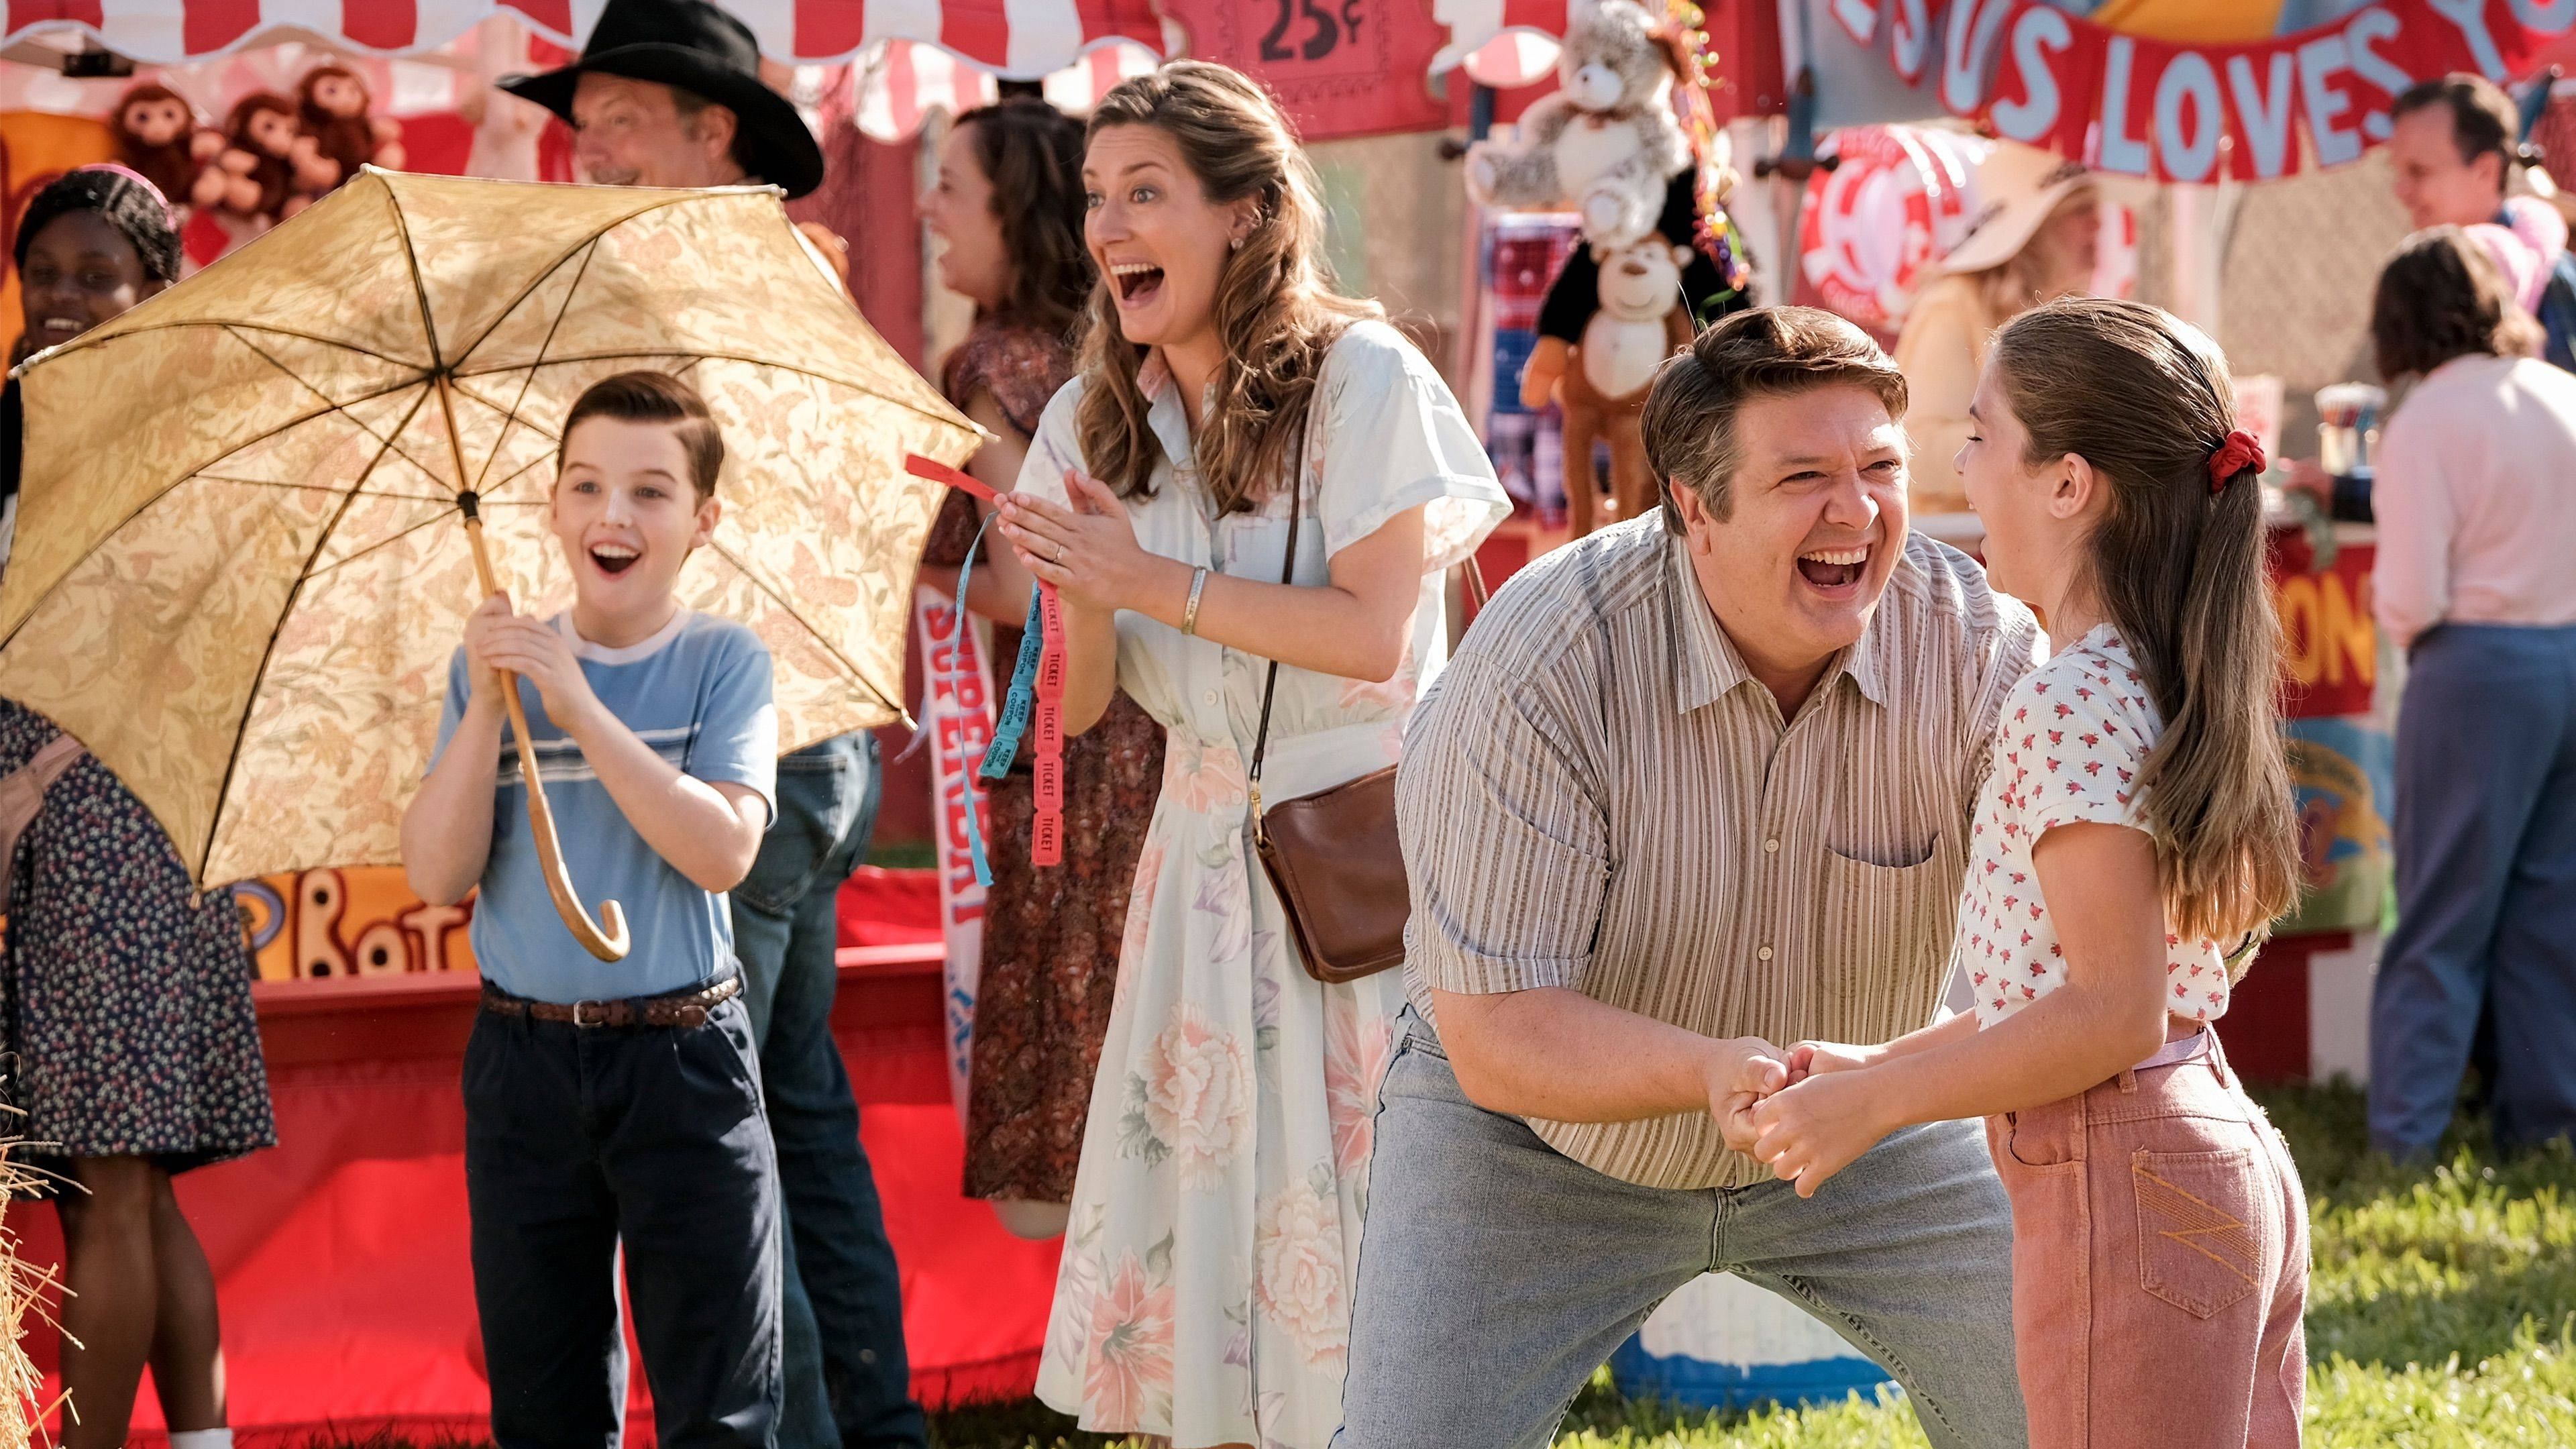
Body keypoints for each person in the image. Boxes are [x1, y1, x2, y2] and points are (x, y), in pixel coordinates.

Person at [1338, 307, 2039, 1449]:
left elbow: (2086, 966)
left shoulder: (1981, 651)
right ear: (1693, 506)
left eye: (1879, 468)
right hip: (1533, 1142)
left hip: (1870, 1120)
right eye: (1804, 475)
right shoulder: (1546, 659)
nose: (1856, 511)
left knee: (2073, 1408)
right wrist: (1711, 1070)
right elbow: (1497, 1032)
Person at [989, 62, 1507, 1449]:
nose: (1110, 227)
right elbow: (1087, 704)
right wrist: (1083, 592)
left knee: (1377, 1255)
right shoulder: (1092, 422)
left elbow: (1374, 633)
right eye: (1098, 196)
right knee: (1212, 1293)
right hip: (1201, 871)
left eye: (1147, 191)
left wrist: (1141, 576)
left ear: (1247, 214)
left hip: (1367, 866)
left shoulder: (1365, 377)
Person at [1750, 297, 2310, 1448]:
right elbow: (2077, 997)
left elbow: (2108, 1016)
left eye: (1981, 434)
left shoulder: (2066, 703)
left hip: (2125, 1191)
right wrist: (1883, 1062)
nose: (1958, 469)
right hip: (2207, 1152)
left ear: (2069, 483)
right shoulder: (2152, 675)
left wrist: (1881, 1100)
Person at [500, 5, 923, 1444]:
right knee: (791, 1113)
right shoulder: (774, 268)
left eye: (620, 113)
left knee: (720, 1146)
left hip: (741, 755)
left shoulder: (715, 272)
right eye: (586, 118)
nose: (589, 143)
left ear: (712, 131)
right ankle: (875, 1426)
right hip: (814, 742)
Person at [403, 372, 782, 1445]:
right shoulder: (496, 672)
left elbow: (722, 850)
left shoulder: (723, 661)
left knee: (720, 1396)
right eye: (587, 486)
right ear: (554, 507)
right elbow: (436, 873)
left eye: (652, 492)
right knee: (544, 1398)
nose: (614, 515)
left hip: (682, 1061)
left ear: (703, 521)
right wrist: (493, 706)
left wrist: (577, 703)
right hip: (524, 1065)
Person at [0, 165, 276, 1449]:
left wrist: (27, 787)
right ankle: (206, 1441)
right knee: (125, 1181)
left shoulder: (175, 436)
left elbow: (182, 642)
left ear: (155, 288)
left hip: (107, 816)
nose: (63, 297)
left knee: (106, 1180)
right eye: (43, 273)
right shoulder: (22, 419)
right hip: (60, 827)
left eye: (95, 276)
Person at [916, 98, 1166, 1241]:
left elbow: (1030, 582)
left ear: (1016, 211)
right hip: (1159, 727)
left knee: (1084, 1088)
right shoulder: (1131, 353)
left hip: (1074, 739)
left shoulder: (992, 365)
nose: (928, 210)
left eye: (952, 188)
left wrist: (915, 565)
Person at [2359, 229, 2576, 1161]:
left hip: (2476, 669)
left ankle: (2406, 1142)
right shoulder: (2564, 394)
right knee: (2549, 912)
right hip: (2568, 656)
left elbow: (2412, 595)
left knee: (2441, 916)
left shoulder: (2425, 421)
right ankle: (2547, 1124)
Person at [1893, 145, 2099, 517]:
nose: (2097, 224)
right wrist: (2041, 452)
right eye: (2081, 211)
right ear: (2037, 228)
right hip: (1960, 554)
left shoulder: (2073, 314)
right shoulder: (1952, 305)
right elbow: (1916, 449)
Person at [2386, 74, 2576, 370]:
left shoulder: (2552, 279)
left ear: (2485, 171)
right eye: (2399, 172)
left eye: (2419, 171)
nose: (2401, 191)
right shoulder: (2439, 280)